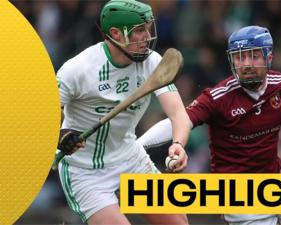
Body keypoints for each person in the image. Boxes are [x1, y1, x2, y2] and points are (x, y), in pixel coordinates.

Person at [138, 26, 281, 225]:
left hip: (276, 182)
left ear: (269, 56)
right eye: (239, 58)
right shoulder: (218, 97)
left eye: (253, 56)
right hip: (239, 195)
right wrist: (137, 146)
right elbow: (178, 121)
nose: (246, 65)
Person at [55, 0, 191, 224]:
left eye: (148, 28)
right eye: (139, 31)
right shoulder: (77, 70)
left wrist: (178, 143)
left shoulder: (153, 63)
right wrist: (60, 135)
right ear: (116, 34)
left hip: (130, 159)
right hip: (86, 173)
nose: (147, 37)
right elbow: (44, 118)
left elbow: (179, 115)